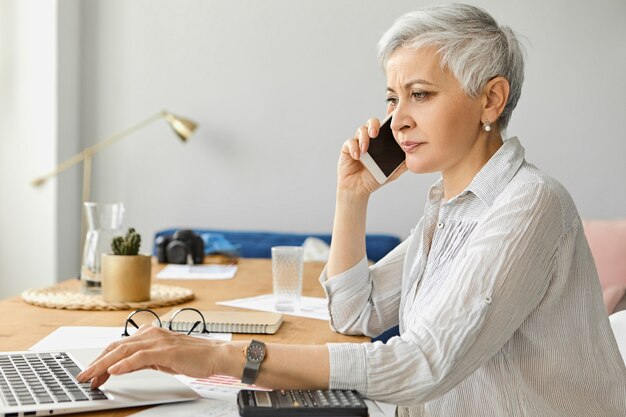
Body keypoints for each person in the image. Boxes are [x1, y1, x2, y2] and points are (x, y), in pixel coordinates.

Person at [78, 4, 626, 416]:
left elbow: (420, 365)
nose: (398, 120)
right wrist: (352, 196)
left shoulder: (530, 205)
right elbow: (354, 315)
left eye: (420, 94)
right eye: (392, 98)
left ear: (491, 100)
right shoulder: (449, 209)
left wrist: (221, 357)